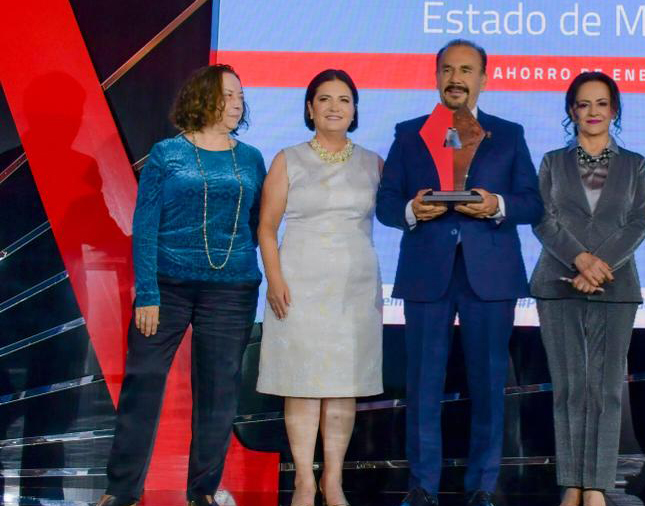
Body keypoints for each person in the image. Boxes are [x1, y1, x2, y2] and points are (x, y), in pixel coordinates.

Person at [376, 39, 543, 506]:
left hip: (490, 275)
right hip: (427, 273)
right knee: (423, 385)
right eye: (448, 69)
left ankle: (482, 488)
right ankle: (423, 487)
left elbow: (533, 202)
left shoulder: (508, 134)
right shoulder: (410, 134)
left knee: (489, 384)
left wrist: (497, 206)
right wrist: (412, 210)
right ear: (435, 76)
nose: (456, 78)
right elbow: (387, 203)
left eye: (466, 70)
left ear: (483, 79)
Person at [98, 64, 266, 506]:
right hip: (168, 287)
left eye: (240, 96)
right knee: (144, 383)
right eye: (229, 94)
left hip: (232, 291)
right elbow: (145, 223)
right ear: (204, 97)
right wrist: (148, 292)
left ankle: (203, 493)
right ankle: (121, 492)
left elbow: (253, 222)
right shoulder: (166, 153)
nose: (237, 103)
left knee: (219, 393)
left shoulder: (250, 158)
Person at [256, 69, 384, 506]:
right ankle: (304, 480)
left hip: (355, 284)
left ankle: (333, 480)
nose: (334, 107)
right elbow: (267, 228)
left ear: (355, 110)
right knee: (304, 382)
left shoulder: (373, 161)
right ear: (310, 108)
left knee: (343, 383)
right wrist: (274, 278)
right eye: (324, 99)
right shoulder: (287, 158)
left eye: (344, 99)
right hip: (299, 281)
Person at [530, 72, 645, 506]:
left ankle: (597, 484)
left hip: (616, 287)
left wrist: (598, 268)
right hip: (558, 283)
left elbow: (638, 221)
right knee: (569, 387)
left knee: (604, 389)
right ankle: (572, 483)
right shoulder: (551, 162)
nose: (593, 112)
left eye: (602, 104)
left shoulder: (634, 163)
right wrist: (580, 261)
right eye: (584, 104)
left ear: (614, 110)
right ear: (571, 111)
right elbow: (543, 219)